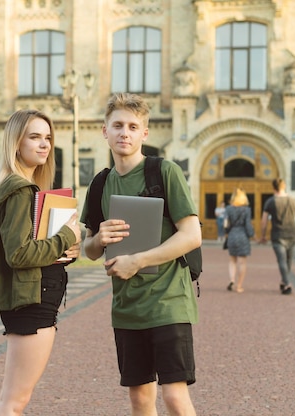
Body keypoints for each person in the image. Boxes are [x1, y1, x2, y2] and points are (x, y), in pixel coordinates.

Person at [81, 93, 201, 416]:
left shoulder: (165, 172)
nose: (125, 133)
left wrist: (139, 261)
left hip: (169, 303)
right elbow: (89, 249)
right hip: (126, 309)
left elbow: (192, 235)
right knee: (140, 401)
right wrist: (99, 239)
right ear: (104, 131)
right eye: (117, 125)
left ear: (144, 134)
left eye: (133, 126)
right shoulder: (99, 184)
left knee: (175, 399)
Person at [0, 109, 82, 416]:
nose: (44, 145)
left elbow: (27, 249)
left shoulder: (18, 187)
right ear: (16, 143)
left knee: (12, 401)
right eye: (34, 137)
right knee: (13, 404)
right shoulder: (21, 191)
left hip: (31, 300)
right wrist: (65, 235)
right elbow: (19, 255)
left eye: (48, 138)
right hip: (31, 303)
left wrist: (63, 251)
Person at [259, 178, 295, 295]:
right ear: (284, 186)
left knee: (281, 260)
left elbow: (264, 220)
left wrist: (262, 235)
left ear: (273, 188)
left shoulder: (270, 202)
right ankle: (285, 281)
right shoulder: (293, 201)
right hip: (292, 235)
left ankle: (286, 283)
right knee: (288, 260)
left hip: (277, 235)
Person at [224, 188, 254, 293]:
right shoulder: (246, 210)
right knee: (242, 262)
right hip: (243, 236)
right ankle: (239, 285)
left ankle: (232, 280)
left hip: (232, 235)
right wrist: (251, 234)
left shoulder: (228, 209)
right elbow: (248, 225)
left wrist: (226, 232)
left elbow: (226, 224)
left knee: (232, 260)